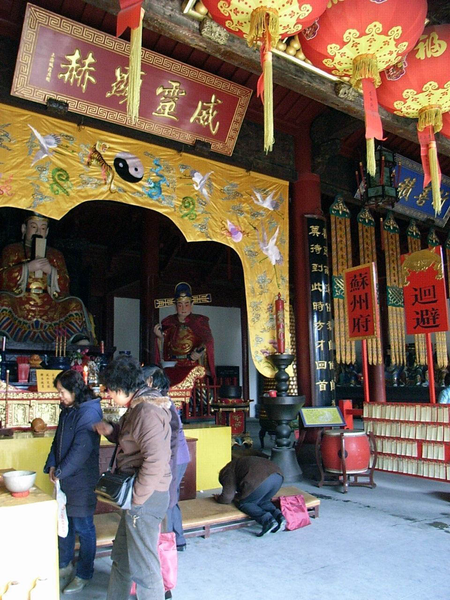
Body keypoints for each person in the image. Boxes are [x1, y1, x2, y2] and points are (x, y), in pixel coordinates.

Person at [93, 355, 172, 600]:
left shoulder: (146, 411)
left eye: (109, 391)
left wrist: (137, 499)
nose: (108, 396)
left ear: (120, 389)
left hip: (146, 497)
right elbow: (133, 441)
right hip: (139, 497)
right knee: (122, 559)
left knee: (145, 569)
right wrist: (112, 432)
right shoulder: (137, 406)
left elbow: (156, 460)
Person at [43, 369, 102, 595]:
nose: (60, 396)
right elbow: (57, 441)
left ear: (75, 390)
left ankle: (84, 573)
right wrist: (51, 465)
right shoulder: (68, 410)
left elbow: (81, 450)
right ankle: (64, 565)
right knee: (64, 525)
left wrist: (60, 471)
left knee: (84, 527)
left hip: (81, 482)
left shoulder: (88, 412)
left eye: (62, 392)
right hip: (65, 479)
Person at [0, 211, 95, 344]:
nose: (39, 231)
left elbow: (65, 284)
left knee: (75, 303)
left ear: (47, 232)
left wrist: (51, 271)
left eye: (43, 228)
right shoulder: (12, 250)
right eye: (34, 227)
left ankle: (77, 338)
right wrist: (27, 268)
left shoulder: (55, 255)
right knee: (2, 300)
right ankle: (4, 334)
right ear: (23, 228)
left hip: (50, 304)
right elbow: (3, 278)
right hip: (19, 302)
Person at [143, 365, 190, 552]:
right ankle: (178, 539)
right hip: (178, 456)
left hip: (174, 457)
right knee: (172, 499)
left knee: (167, 500)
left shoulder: (162, 403)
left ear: (151, 381)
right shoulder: (160, 400)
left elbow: (171, 436)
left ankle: (168, 543)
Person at [154, 281, 215, 378]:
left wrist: (199, 351)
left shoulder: (199, 321)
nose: (183, 308)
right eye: (179, 305)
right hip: (173, 365)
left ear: (192, 304)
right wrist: (160, 337)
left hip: (193, 364)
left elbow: (208, 340)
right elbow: (165, 345)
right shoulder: (168, 322)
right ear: (175, 305)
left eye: (186, 304)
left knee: (197, 389)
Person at [214, 455, 286, 537]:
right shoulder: (239, 463)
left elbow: (227, 497)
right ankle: (280, 517)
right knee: (263, 501)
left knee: (246, 503)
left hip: (260, 480)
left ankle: (268, 521)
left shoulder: (226, 472)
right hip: (278, 476)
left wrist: (219, 498)